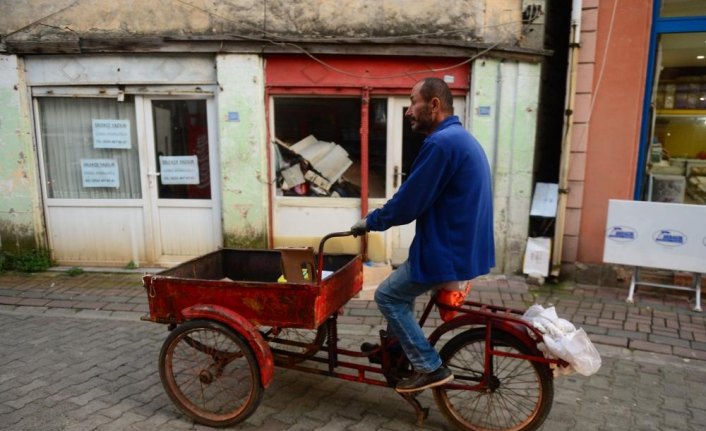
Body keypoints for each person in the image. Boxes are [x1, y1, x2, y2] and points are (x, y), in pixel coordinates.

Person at [350, 77, 495, 393]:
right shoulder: (460, 139)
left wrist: (369, 222)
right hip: (461, 247)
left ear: (434, 105)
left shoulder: (440, 144)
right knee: (403, 289)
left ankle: (429, 366)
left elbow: (408, 203)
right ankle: (395, 348)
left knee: (387, 295)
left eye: (412, 101)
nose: (407, 111)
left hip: (447, 251)